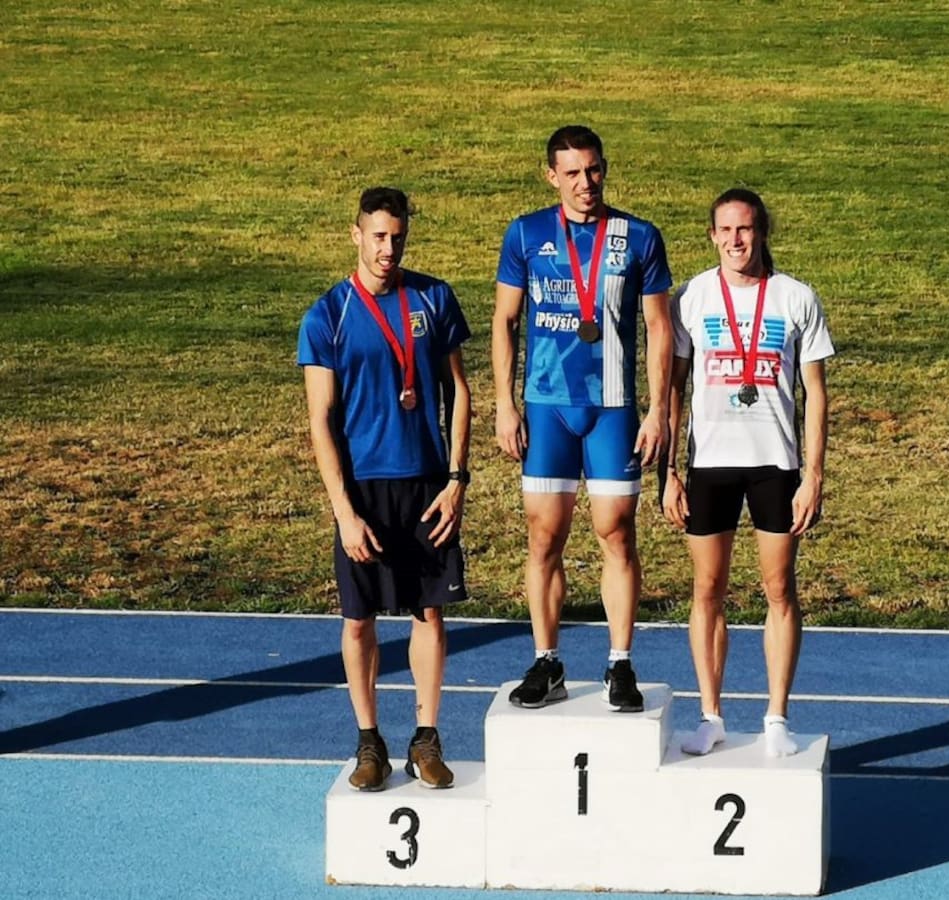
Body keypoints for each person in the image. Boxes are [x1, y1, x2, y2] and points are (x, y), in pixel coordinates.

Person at [492, 125, 673, 712]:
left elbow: (659, 328)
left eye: (593, 170)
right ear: (551, 176)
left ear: (605, 168)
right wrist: (505, 404)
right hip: (548, 405)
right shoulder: (526, 233)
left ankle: (620, 663)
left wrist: (658, 411)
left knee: (615, 530)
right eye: (571, 173)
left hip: (613, 407)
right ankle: (547, 660)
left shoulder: (639, 236)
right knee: (544, 534)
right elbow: (505, 320)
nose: (584, 182)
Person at [298, 186, 472, 790]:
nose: (388, 249)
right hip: (363, 488)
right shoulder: (328, 314)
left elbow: (459, 392)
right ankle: (369, 741)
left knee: (429, 611)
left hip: (426, 483)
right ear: (356, 235)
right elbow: (320, 420)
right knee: (358, 619)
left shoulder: (433, 297)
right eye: (377, 237)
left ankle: (426, 738)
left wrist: (456, 479)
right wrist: (343, 511)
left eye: (397, 237)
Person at [662, 188, 834, 756]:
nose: (736, 240)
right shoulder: (691, 298)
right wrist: (668, 471)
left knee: (779, 588)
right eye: (726, 230)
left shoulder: (795, 297)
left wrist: (813, 475)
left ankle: (777, 718)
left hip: (775, 463)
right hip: (709, 461)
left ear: (761, 233)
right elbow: (672, 391)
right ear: (712, 236)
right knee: (707, 589)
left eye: (746, 229)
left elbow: (815, 394)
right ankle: (710, 715)